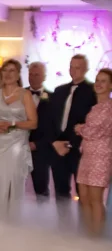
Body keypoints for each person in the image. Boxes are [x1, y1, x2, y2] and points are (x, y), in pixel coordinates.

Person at [0, 59, 37, 212]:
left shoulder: (25, 94)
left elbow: (33, 123)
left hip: (17, 144)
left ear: (18, 74)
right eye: (5, 70)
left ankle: (12, 217)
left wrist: (13, 124)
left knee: (13, 182)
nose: (8, 74)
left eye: (12, 70)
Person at [49, 54, 96, 199]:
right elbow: (50, 120)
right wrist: (55, 142)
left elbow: (93, 123)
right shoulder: (59, 91)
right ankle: (63, 216)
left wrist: (71, 144)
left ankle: (84, 216)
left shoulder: (93, 92)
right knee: (60, 193)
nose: (74, 70)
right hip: (58, 149)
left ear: (86, 69)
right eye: (71, 67)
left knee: (84, 195)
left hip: (80, 151)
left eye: (78, 68)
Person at [75, 68, 112, 235]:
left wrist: (80, 128)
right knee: (84, 197)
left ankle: (96, 237)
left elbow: (93, 131)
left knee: (95, 199)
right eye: (97, 80)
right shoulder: (95, 107)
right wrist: (84, 128)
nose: (99, 84)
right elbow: (91, 129)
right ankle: (89, 234)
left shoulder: (109, 107)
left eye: (103, 81)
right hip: (87, 156)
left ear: (110, 86)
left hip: (101, 157)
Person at [26, 61, 53, 197]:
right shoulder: (18, 94)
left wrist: (37, 144)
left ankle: (42, 210)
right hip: (17, 148)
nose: (33, 77)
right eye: (31, 74)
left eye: (37, 75)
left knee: (41, 189)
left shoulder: (53, 98)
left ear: (44, 77)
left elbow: (54, 128)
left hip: (40, 151)